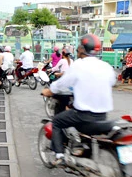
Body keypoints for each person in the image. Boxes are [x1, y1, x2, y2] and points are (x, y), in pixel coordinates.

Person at [41, 34, 116, 166]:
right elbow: (111, 82)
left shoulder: (78, 65)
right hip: (103, 116)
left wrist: (49, 91)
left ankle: (60, 156)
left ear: (82, 49)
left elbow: (61, 84)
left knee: (57, 121)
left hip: (84, 116)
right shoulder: (106, 66)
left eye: (79, 46)